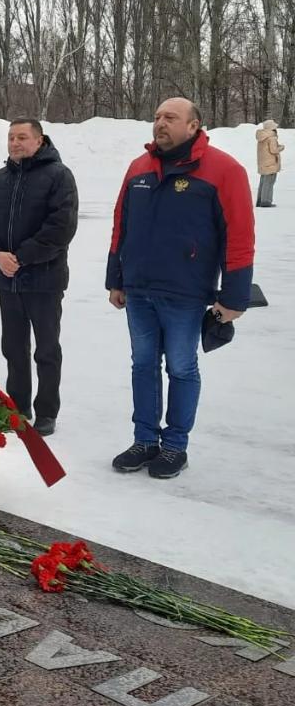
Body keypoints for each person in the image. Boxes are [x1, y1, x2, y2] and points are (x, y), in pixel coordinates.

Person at [106, 98, 255, 478]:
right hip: (139, 288)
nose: (160, 123)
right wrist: (116, 278)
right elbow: (120, 224)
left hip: (186, 292)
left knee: (182, 367)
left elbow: (239, 234)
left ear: (193, 126)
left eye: (170, 117)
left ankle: (174, 446)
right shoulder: (139, 168)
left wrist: (234, 296)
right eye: (157, 117)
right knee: (142, 365)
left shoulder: (224, 169)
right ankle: (144, 440)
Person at [0, 119, 78, 437]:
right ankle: (17, 407)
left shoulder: (59, 176)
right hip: (7, 280)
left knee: (46, 349)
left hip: (44, 279)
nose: (15, 143)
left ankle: (47, 411)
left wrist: (20, 257)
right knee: (13, 347)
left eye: (22, 137)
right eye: (10, 137)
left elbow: (61, 227)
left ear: (39, 140)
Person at [255, 119, 284, 207]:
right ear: (272, 128)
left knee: (263, 182)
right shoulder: (272, 138)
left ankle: (260, 201)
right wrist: (281, 147)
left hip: (263, 163)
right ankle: (266, 201)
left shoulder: (262, 137)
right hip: (271, 164)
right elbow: (273, 150)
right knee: (269, 182)